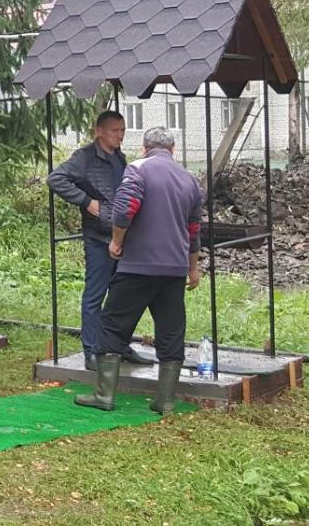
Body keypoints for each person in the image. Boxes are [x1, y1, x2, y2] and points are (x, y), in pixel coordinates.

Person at [75, 126, 204, 415]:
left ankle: (104, 395)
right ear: (173, 150)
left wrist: (116, 242)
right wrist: (192, 269)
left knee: (113, 325)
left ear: (145, 148)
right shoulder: (190, 179)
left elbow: (124, 210)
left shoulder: (137, 169)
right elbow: (194, 230)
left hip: (137, 267)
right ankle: (165, 400)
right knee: (171, 331)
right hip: (174, 270)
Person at [46, 111, 153, 370]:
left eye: (123, 130)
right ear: (99, 131)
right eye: (115, 130)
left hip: (122, 237)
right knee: (95, 295)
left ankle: (119, 346)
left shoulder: (120, 158)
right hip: (98, 238)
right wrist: (86, 201)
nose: (120, 135)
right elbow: (55, 179)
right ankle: (91, 350)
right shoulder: (84, 158)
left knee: (123, 297)